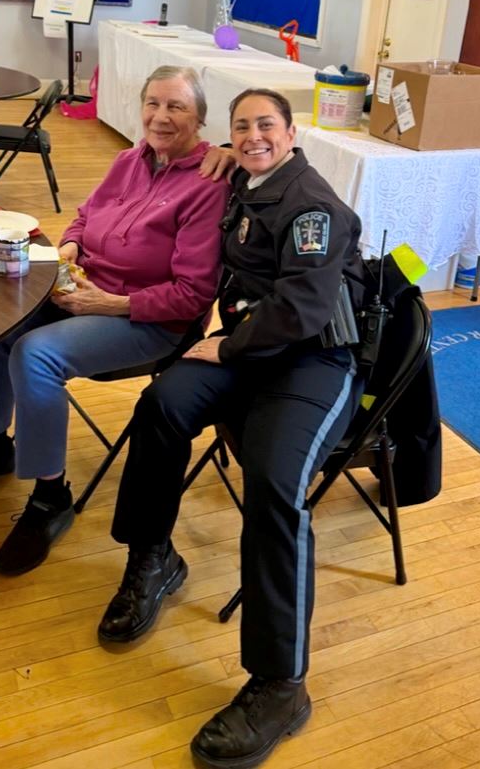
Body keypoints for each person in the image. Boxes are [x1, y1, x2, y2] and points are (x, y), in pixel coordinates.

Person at [99, 89, 364, 768]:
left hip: (311, 361)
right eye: (240, 126)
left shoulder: (312, 204)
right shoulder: (245, 176)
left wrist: (225, 345)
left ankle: (282, 685)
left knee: (275, 484)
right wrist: (224, 155)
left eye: (265, 125)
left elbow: (303, 309)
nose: (252, 136)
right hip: (247, 346)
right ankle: (154, 557)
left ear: (292, 131)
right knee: (160, 406)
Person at [0, 65, 232, 576]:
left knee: (35, 353)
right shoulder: (130, 159)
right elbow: (85, 215)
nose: (161, 116)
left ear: (200, 118)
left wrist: (108, 302)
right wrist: (67, 251)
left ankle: (50, 496)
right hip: (81, 287)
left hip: (151, 319)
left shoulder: (209, 183)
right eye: (153, 103)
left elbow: (193, 294)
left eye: (176, 107)